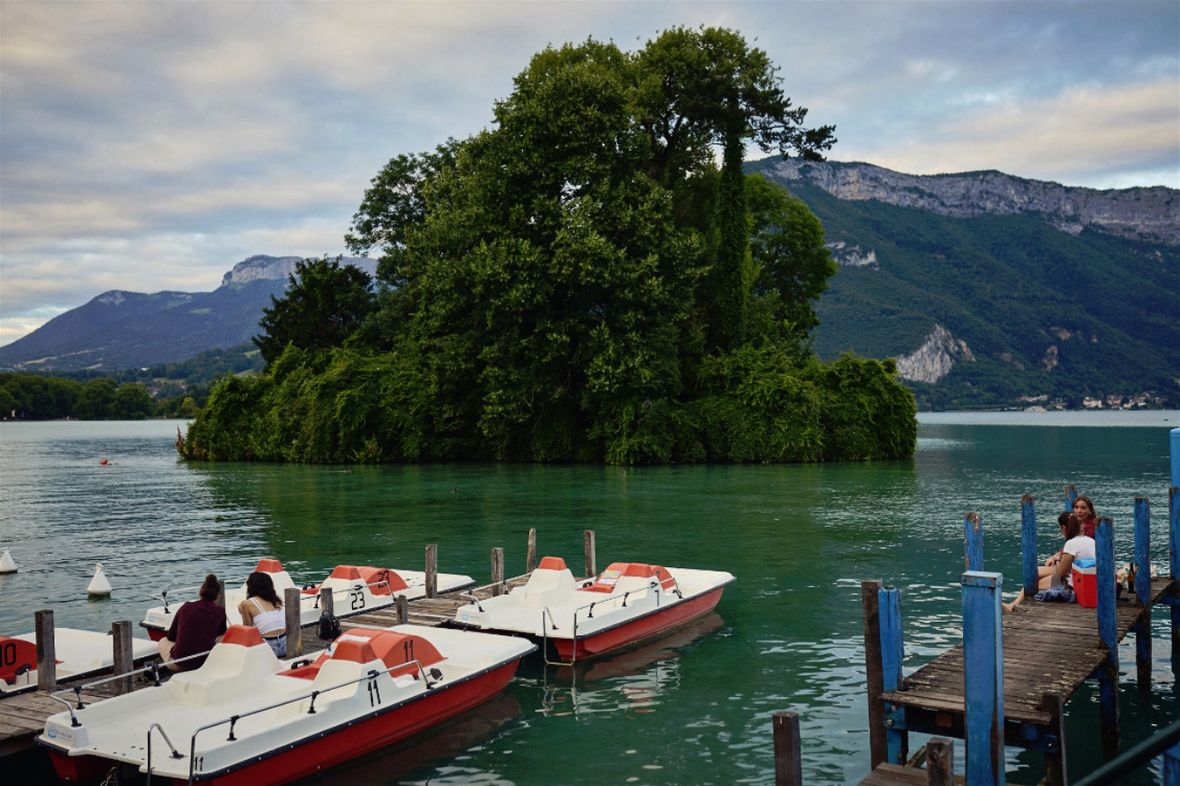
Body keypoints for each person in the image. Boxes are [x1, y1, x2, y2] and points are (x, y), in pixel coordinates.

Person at [1004, 512, 1096, 612]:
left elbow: (1061, 572)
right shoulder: (1092, 541)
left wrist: (1057, 561)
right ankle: (1014, 604)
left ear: (1063, 528)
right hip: (1090, 584)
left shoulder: (1071, 543)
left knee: (1033, 583)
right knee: (1036, 573)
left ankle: (1014, 605)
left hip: (1073, 586)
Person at [158, 574, 227, 671]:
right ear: (218, 596)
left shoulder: (186, 607)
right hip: (205, 662)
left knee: (162, 641)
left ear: (200, 592)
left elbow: (171, 637)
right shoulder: (220, 611)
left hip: (180, 664)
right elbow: (221, 636)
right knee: (222, 636)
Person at [238, 571, 286, 657]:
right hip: (286, 644)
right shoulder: (276, 601)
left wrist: (242, 611)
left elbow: (248, 630)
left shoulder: (247, 604)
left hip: (269, 647)